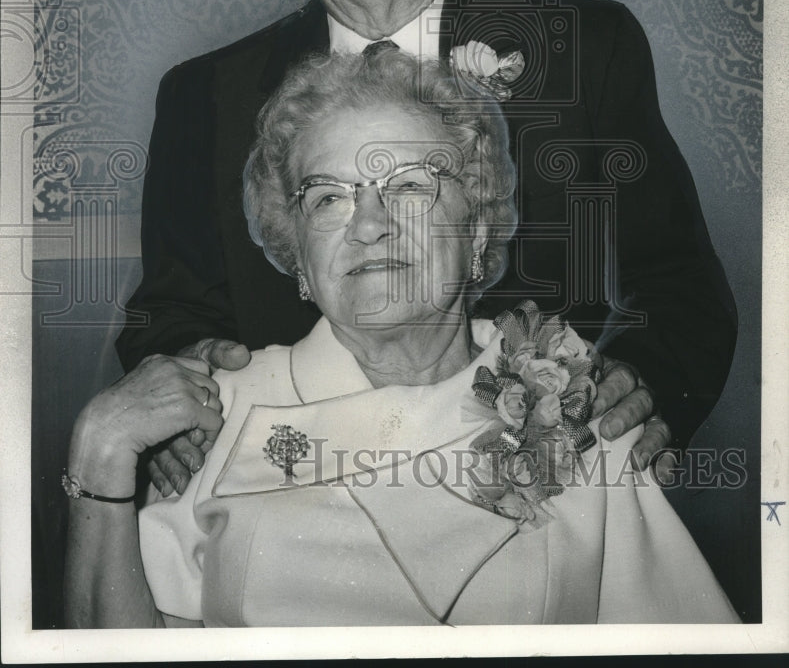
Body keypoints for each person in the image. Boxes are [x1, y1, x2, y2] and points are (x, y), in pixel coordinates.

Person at [115, 0, 737, 495]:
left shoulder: (581, 49)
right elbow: (167, 315)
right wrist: (188, 377)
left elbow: (675, 287)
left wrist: (648, 386)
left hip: (539, 504)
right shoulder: (202, 95)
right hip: (293, 502)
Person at [66, 50, 738, 627]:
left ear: (476, 230)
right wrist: (99, 448)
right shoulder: (215, 413)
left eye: (410, 186)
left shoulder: (574, 400)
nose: (368, 224)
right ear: (297, 252)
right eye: (328, 197)